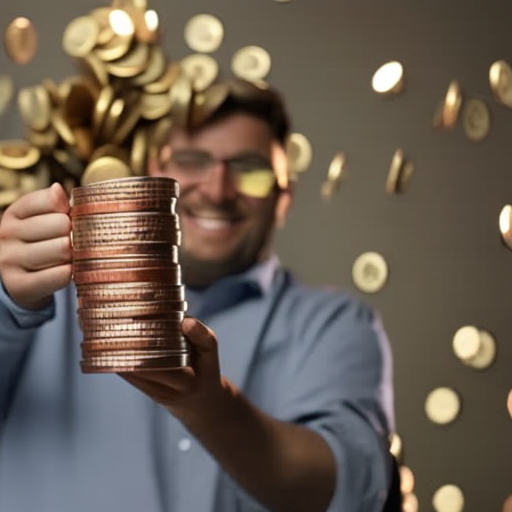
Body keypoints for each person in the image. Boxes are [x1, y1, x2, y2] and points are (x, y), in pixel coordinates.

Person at [0, 77, 396, 512]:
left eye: (250, 170)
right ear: (153, 173)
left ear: (284, 197)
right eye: (191, 161)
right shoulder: (41, 293)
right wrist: (6, 299)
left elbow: (353, 493)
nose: (217, 189)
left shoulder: (336, 324)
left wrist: (211, 407)